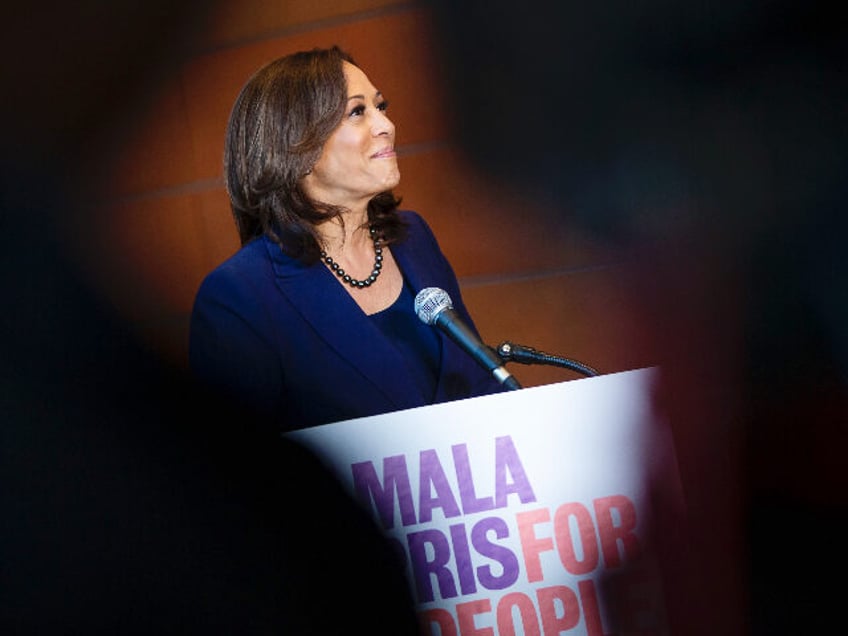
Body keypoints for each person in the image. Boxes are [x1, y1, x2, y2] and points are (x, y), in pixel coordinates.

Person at [189, 46, 507, 431]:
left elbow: (483, 386)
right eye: (358, 112)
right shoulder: (239, 297)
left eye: (381, 106)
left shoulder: (415, 238)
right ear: (297, 146)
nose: (386, 125)